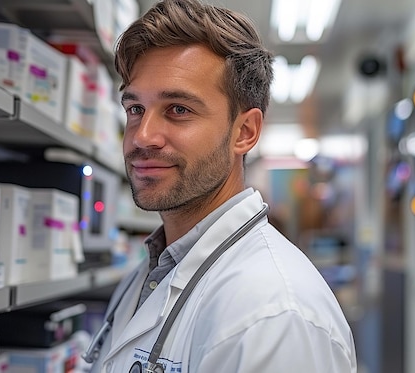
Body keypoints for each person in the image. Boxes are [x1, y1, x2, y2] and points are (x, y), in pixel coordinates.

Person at [84, 0, 357, 371]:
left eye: (178, 109)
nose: (142, 136)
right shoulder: (149, 273)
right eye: (135, 109)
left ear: (245, 132)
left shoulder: (275, 314)